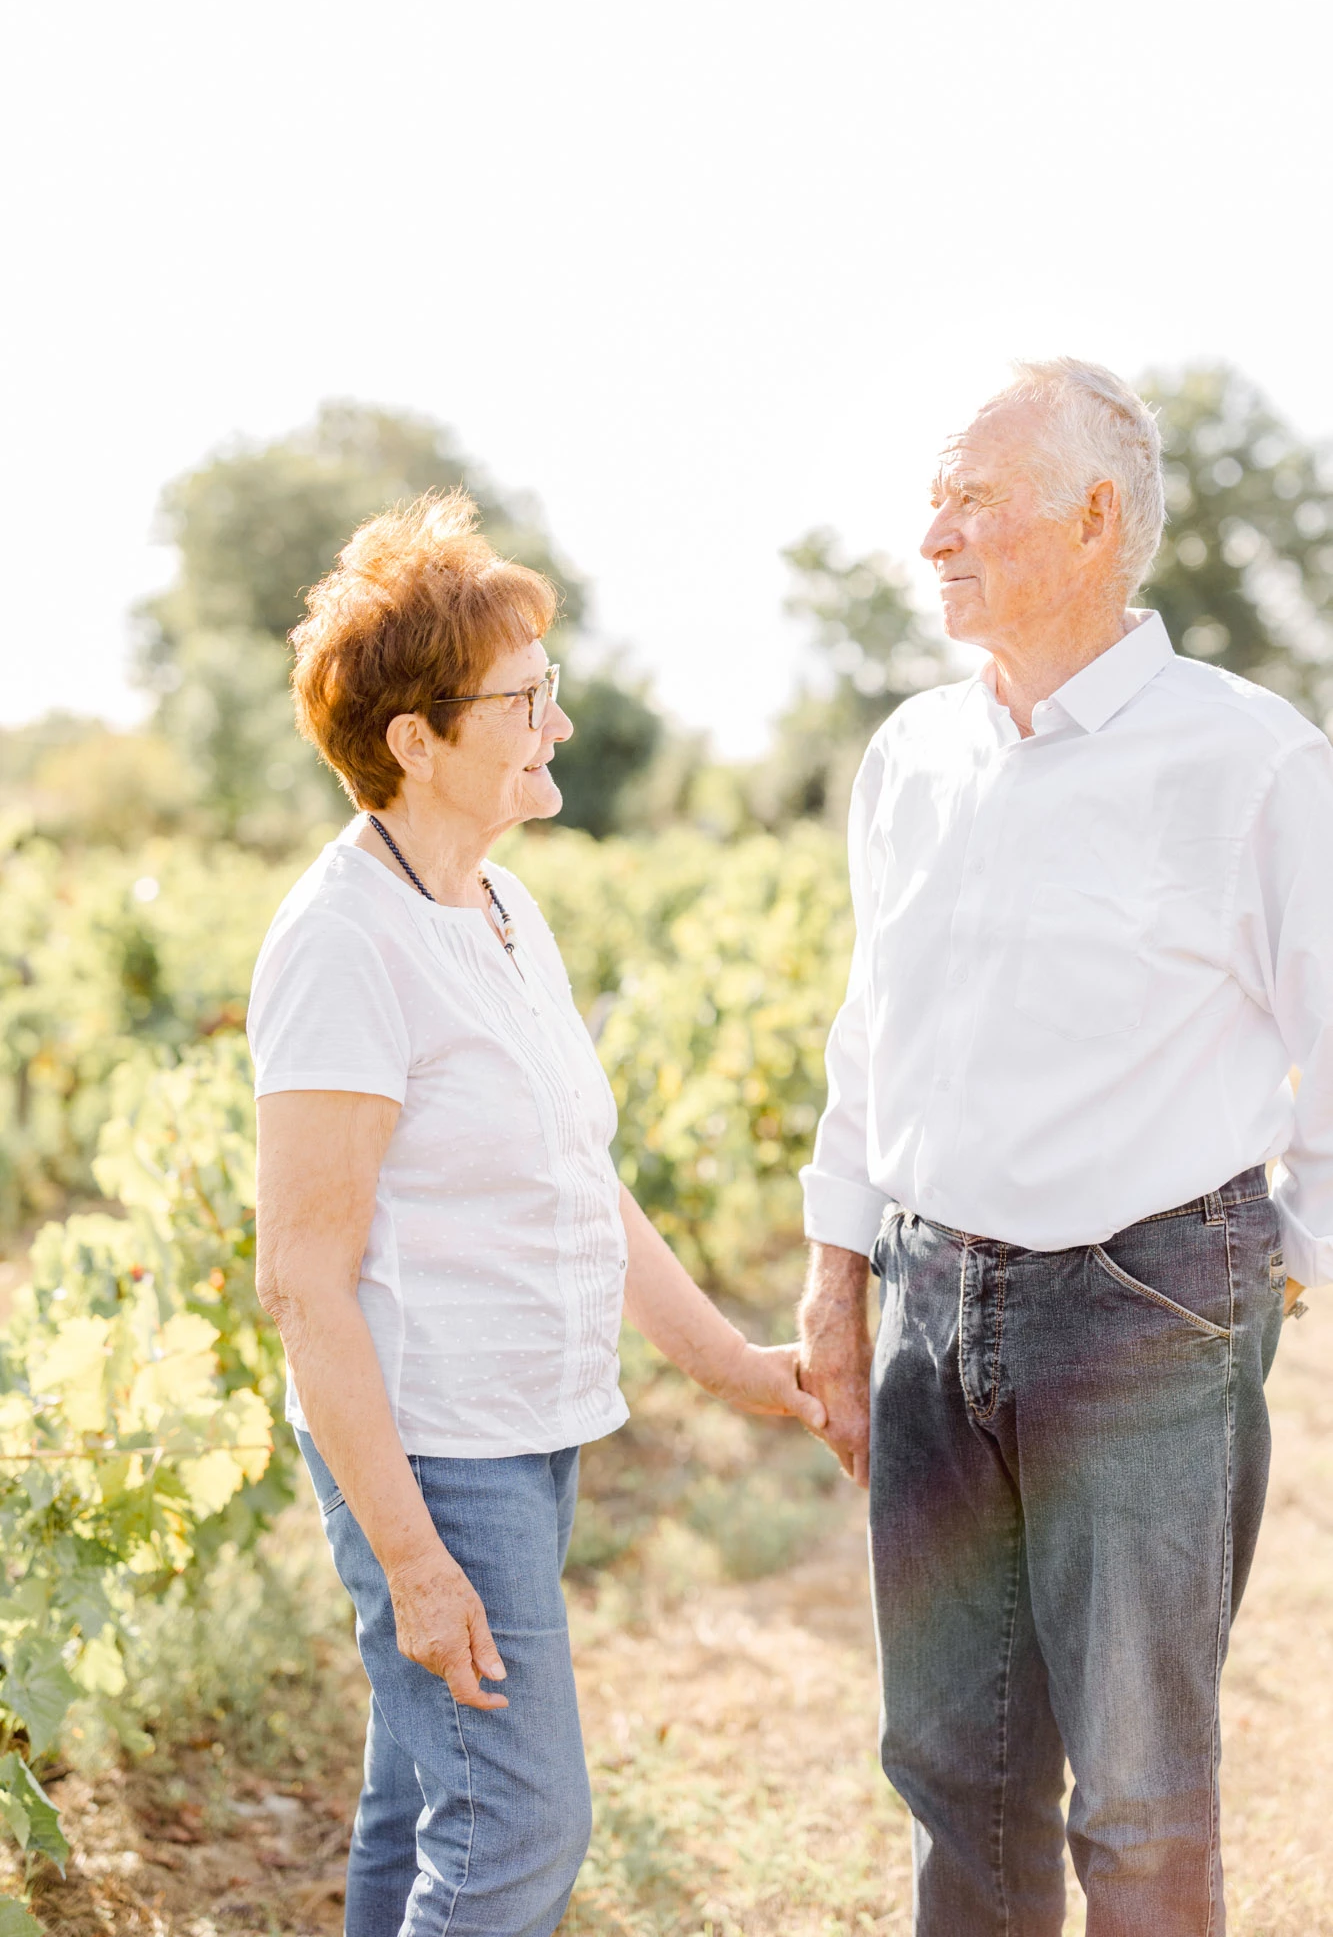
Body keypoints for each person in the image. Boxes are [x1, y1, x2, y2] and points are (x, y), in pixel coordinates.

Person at [797, 358, 1331, 1937]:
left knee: (1143, 1801)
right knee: (949, 1767)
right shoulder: (909, 757)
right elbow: (864, 1033)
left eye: (973, 499)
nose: (934, 535)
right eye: (934, 499)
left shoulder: (1248, 759)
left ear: (1095, 517)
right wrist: (835, 1278)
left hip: (1146, 1309)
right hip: (930, 1309)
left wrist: (1278, 1257)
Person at [249, 491, 825, 1937]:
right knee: (517, 1826)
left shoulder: (502, 910)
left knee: (421, 1794)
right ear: (416, 742)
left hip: (526, 1433)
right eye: (526, 698)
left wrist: (725, 1362)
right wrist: (416, 1559)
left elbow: (584, 1177)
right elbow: (304, 1285)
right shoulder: (342, 945)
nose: (558, 723)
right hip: (435, 1453)